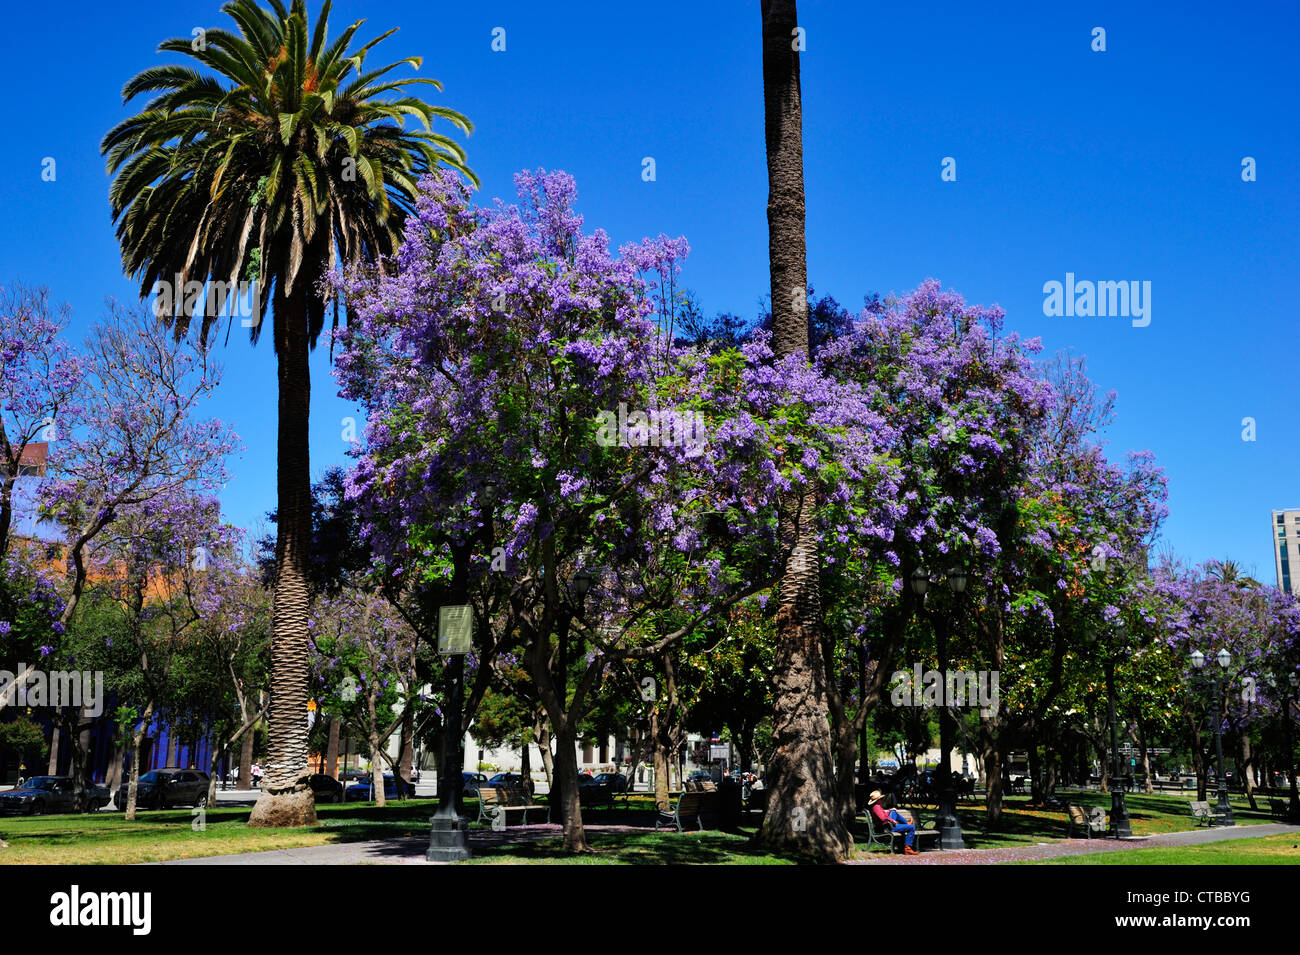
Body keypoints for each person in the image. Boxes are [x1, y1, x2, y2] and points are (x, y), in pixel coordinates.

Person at [867, 790, 918, 855]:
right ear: (877, 800)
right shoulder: (876, 807)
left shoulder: (877, 806)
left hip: (888, 825)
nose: (881, 800)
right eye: (880, 799)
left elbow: (883, 815)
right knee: (912, 827)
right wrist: (892, 820)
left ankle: (907, 823)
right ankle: (907, 848)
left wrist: (889, 811)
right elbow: (883, 818)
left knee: (893, 812)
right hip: (888, 827)